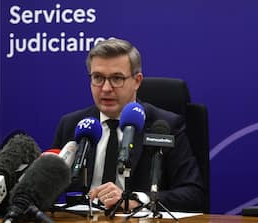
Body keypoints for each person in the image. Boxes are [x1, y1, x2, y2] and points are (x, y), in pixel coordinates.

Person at [52, 38, 206, 212]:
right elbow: (50, 191)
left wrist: (138, 199)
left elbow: (194, 194)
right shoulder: (72, 125)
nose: (106, 88)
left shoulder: (164, 125)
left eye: (117, 78)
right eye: (98, 78)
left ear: (137, 81)